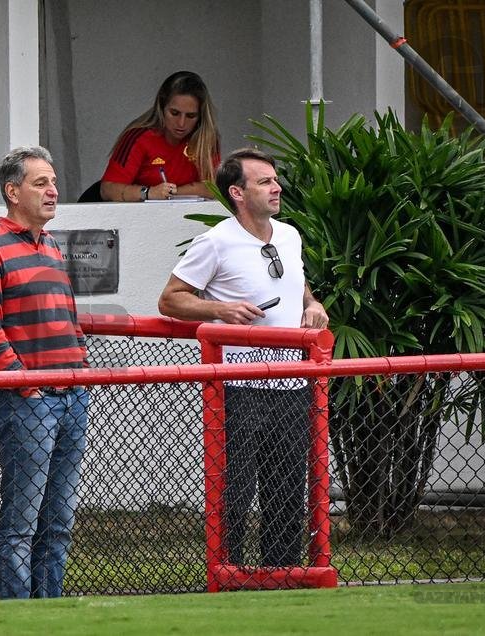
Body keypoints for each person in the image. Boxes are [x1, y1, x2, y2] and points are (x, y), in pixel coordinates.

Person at [157, 148, 329, 567]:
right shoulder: (215, 241)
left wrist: (313, 305)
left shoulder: (289, 234)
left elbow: (298, 284)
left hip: (291, 381)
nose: (277, 187)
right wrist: (220, 310)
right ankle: (227, 572)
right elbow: (170, 300)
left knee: (287, 489)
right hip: (237, 385)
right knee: (235, 489)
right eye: (265, 181)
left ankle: (282, 575)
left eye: (275, 179)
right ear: (237, 192)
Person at [0, 146, 90, 598]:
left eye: (53, 182)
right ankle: (17, 613)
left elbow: (70, 318)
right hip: (27, 401)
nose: (53, 191)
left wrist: (80, 368)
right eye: (41, 183)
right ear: (12, 192)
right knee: (21, 521)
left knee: (58, 520)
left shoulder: (52, 245)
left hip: (73, 396)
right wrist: (27, 386)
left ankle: (49, 609)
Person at [99, 70, 220, 202]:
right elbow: (107, 189)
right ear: (161, 107)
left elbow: (213, 187)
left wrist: (171, 192)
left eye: (191, 116)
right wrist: (148, 193)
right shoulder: (139, 137)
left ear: (201, 117)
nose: (181, 123)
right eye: (174, 113)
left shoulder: (206, 139)